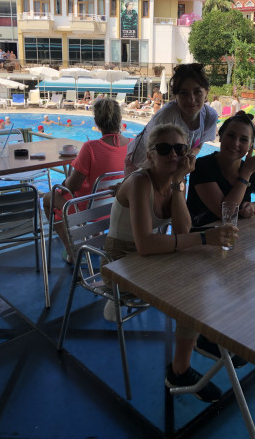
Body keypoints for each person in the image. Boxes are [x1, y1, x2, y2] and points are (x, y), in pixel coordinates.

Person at [101, 123, 238, 403]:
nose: (173, 154)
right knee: (191, 287)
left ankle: (197, 340)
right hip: (118, 263)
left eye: (180, 148)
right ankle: (181, 368)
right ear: (150, 155)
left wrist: (177, 183)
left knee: (203, 271)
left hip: (149, 258)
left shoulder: (175, 181)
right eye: (164, 149)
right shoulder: (140, 182)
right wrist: (204, 238)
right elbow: (145, 244)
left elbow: (182, 230)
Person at [43, 98, 131, 262]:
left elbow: (73, 185)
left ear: (97, 122)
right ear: (120, 119)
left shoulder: (90, 147)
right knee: (94, 194)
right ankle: (97, 237)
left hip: (89, 211)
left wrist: (64, 182)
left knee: (49, 198)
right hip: (116, 208)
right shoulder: (132, 145)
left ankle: (72, 252)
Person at [187, 111, 255, 227]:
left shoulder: (249, 170)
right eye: (231, 135)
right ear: (221, 136)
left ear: (250, 146)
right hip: (199, 233)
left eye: (243, 140)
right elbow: (226, 215)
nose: (235, 143)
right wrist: (246, 173)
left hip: (235, 234)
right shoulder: (202, 166)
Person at [125, 63, 218, 174]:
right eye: (184, 93)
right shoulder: (167, 117)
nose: (191, 99)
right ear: (175, 96)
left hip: (171, 165)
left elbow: (198, 146)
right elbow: (155, 158)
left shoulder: (209, 116)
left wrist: (183, 164)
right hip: (141, 165)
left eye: (197, 92)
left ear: (206, 93)